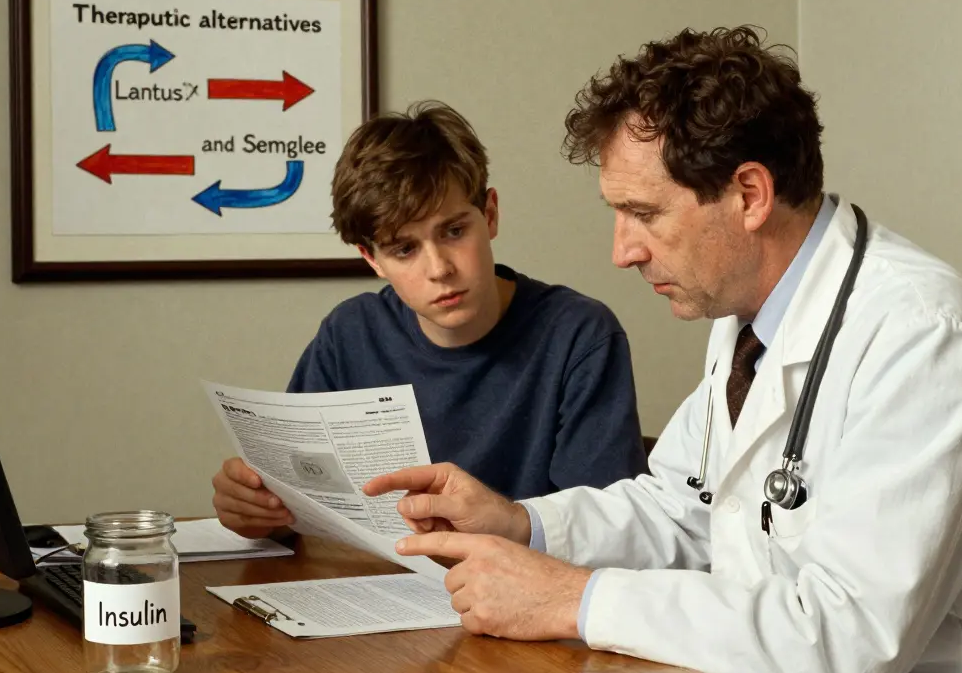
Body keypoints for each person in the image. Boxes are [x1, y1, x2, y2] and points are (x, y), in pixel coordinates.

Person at [363, 27, 962, 673]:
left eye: (644, 213)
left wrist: (576, 600)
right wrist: (520, 521)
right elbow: (683, 509)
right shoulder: (748, 317)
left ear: (749, 195)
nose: (622, 251)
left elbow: (847, 639)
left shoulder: (922, 335)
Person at [212, 100, 648, 540]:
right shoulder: (349, 335)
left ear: (490, 215)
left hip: (519, 595)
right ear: (372, 259)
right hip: (378, 590)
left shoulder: (579, 335)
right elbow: (300, 506)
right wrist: (256, 510)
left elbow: (608, 534)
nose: (439, 268)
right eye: (404, 249)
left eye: (454, 232)